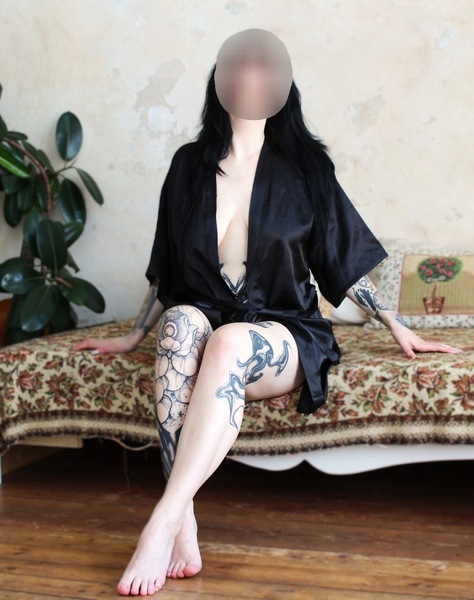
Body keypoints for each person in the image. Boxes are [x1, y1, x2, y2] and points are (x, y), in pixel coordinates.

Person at [72, 29, 462, 597]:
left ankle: (162, 521)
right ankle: (186, 525)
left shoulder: (307, 168)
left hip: (283, 327)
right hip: (204, 312)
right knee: (181, 325)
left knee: (229, 341)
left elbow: (341, 259)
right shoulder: (188, 166)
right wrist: (134, 336)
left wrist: (397, 326)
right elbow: (166, 270)